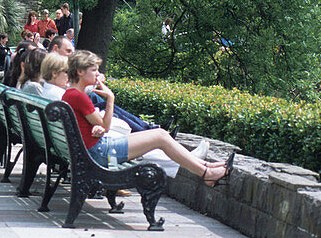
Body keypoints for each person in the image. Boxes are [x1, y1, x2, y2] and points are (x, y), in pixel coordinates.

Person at [61, 50, 231, 186]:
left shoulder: (71, 94)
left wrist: (95, 128)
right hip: (100, 152)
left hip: (93, 150)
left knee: (160, 135)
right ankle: (206, 173)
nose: (98, 74)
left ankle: (206, 167)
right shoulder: (80, 96)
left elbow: (91, 126)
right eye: (94, 70)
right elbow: (105, 126)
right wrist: (110, 98)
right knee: (161, 136)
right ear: (80, 71)